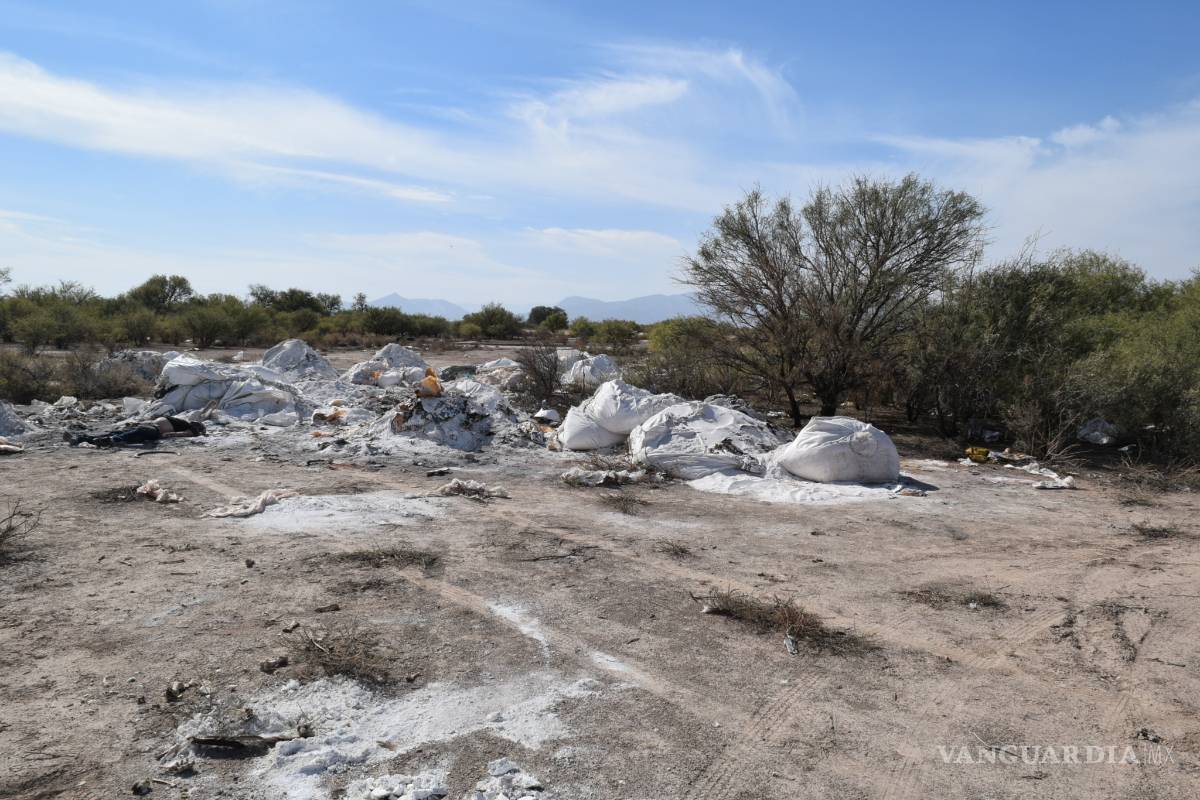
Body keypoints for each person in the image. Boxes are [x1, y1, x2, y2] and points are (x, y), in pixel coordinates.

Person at [65, 416, 206, 447]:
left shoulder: (188, 428)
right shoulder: (183, 423)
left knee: (120, 435)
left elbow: (182, 434)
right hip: (150, 429)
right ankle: (80, 439)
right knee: (119, 434)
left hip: (152, 430)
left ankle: (81, 439)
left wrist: (168, 434)